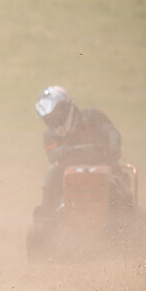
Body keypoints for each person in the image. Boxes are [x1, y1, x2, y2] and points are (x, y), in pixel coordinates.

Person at [34, 85, 129, 217]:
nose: (53, 122)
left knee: (119, 181)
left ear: (65, 109)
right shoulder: (49, 136)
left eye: (55, 117)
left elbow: (111, 132)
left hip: (104, 163)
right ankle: (46, 215)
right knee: (52, 172)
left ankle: (127, 214)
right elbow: (53, 155)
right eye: (49, 120)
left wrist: (113, 148)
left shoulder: (93, 116)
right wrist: (67, 152)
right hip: (67, 173)